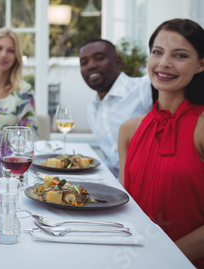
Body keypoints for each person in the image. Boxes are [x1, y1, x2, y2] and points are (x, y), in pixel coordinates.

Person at [118, 19, 204, 268]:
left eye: (180, 55)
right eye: (157, 52)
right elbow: (125, 205)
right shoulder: (129, 130)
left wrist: (161, 259)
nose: (164, 63)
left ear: (200, 64)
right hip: (131, 259)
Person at [79, 38, 152, 177]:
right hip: (116, 185)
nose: (91, 66)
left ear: (118, 61)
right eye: (84, 62)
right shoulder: (92, 110)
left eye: (99, 58)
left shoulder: (143, 89)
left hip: (148, 182)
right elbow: (112, 161)